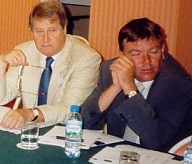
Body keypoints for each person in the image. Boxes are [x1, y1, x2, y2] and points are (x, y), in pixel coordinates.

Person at [81, 18, 192, 152]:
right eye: (136, 54)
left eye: (153, 52)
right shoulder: (109, 70)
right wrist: (115, 87)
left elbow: (154, 139)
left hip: (161, 156)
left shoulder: (178, 84)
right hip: (116, 153)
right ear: (121, 55)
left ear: (163, 50)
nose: (147, 61)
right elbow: (82, 122)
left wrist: (129, 87)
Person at [0, 0, 101, 129]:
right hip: (30, 129)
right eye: (39, 31)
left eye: (52, 30)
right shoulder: (24, 52)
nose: (46, 39)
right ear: (32, 32)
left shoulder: (86, 59)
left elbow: (69, 109)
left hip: (68, 130)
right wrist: (1, 62)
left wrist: (30, 114)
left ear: (64, 29)